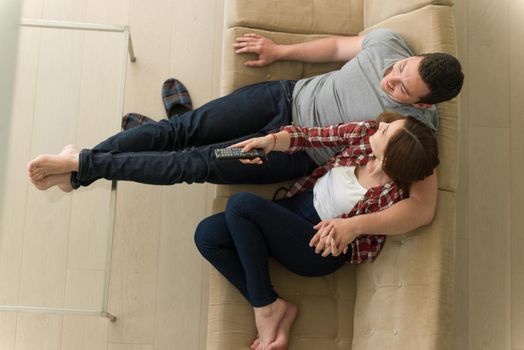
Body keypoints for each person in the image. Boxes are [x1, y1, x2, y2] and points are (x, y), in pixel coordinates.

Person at [27, 28, 463, 254]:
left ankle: (82, 165)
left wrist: (354, 226)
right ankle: (79, 169)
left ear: (423, 104)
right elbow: (337, 46)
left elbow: (422, 209)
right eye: (400, 68)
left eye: (402, 88)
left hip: (295, 151)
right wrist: (279, 52)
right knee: (181, 131)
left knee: (192, 163)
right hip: (282, 97)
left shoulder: (415, 129)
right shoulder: (391, 45)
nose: (391, 78)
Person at [194, 111, 440, 350]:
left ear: (388, 160)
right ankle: (274, 304)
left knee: (241, 205)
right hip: (296, 208)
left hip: (318, 246)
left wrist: (353, 226)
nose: (382, 125)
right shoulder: (365, 134)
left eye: (386, 132)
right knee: (206, 236)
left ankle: (264, 308)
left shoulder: (394, 195)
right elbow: (312, 136)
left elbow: (422, 211)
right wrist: (271, 141)